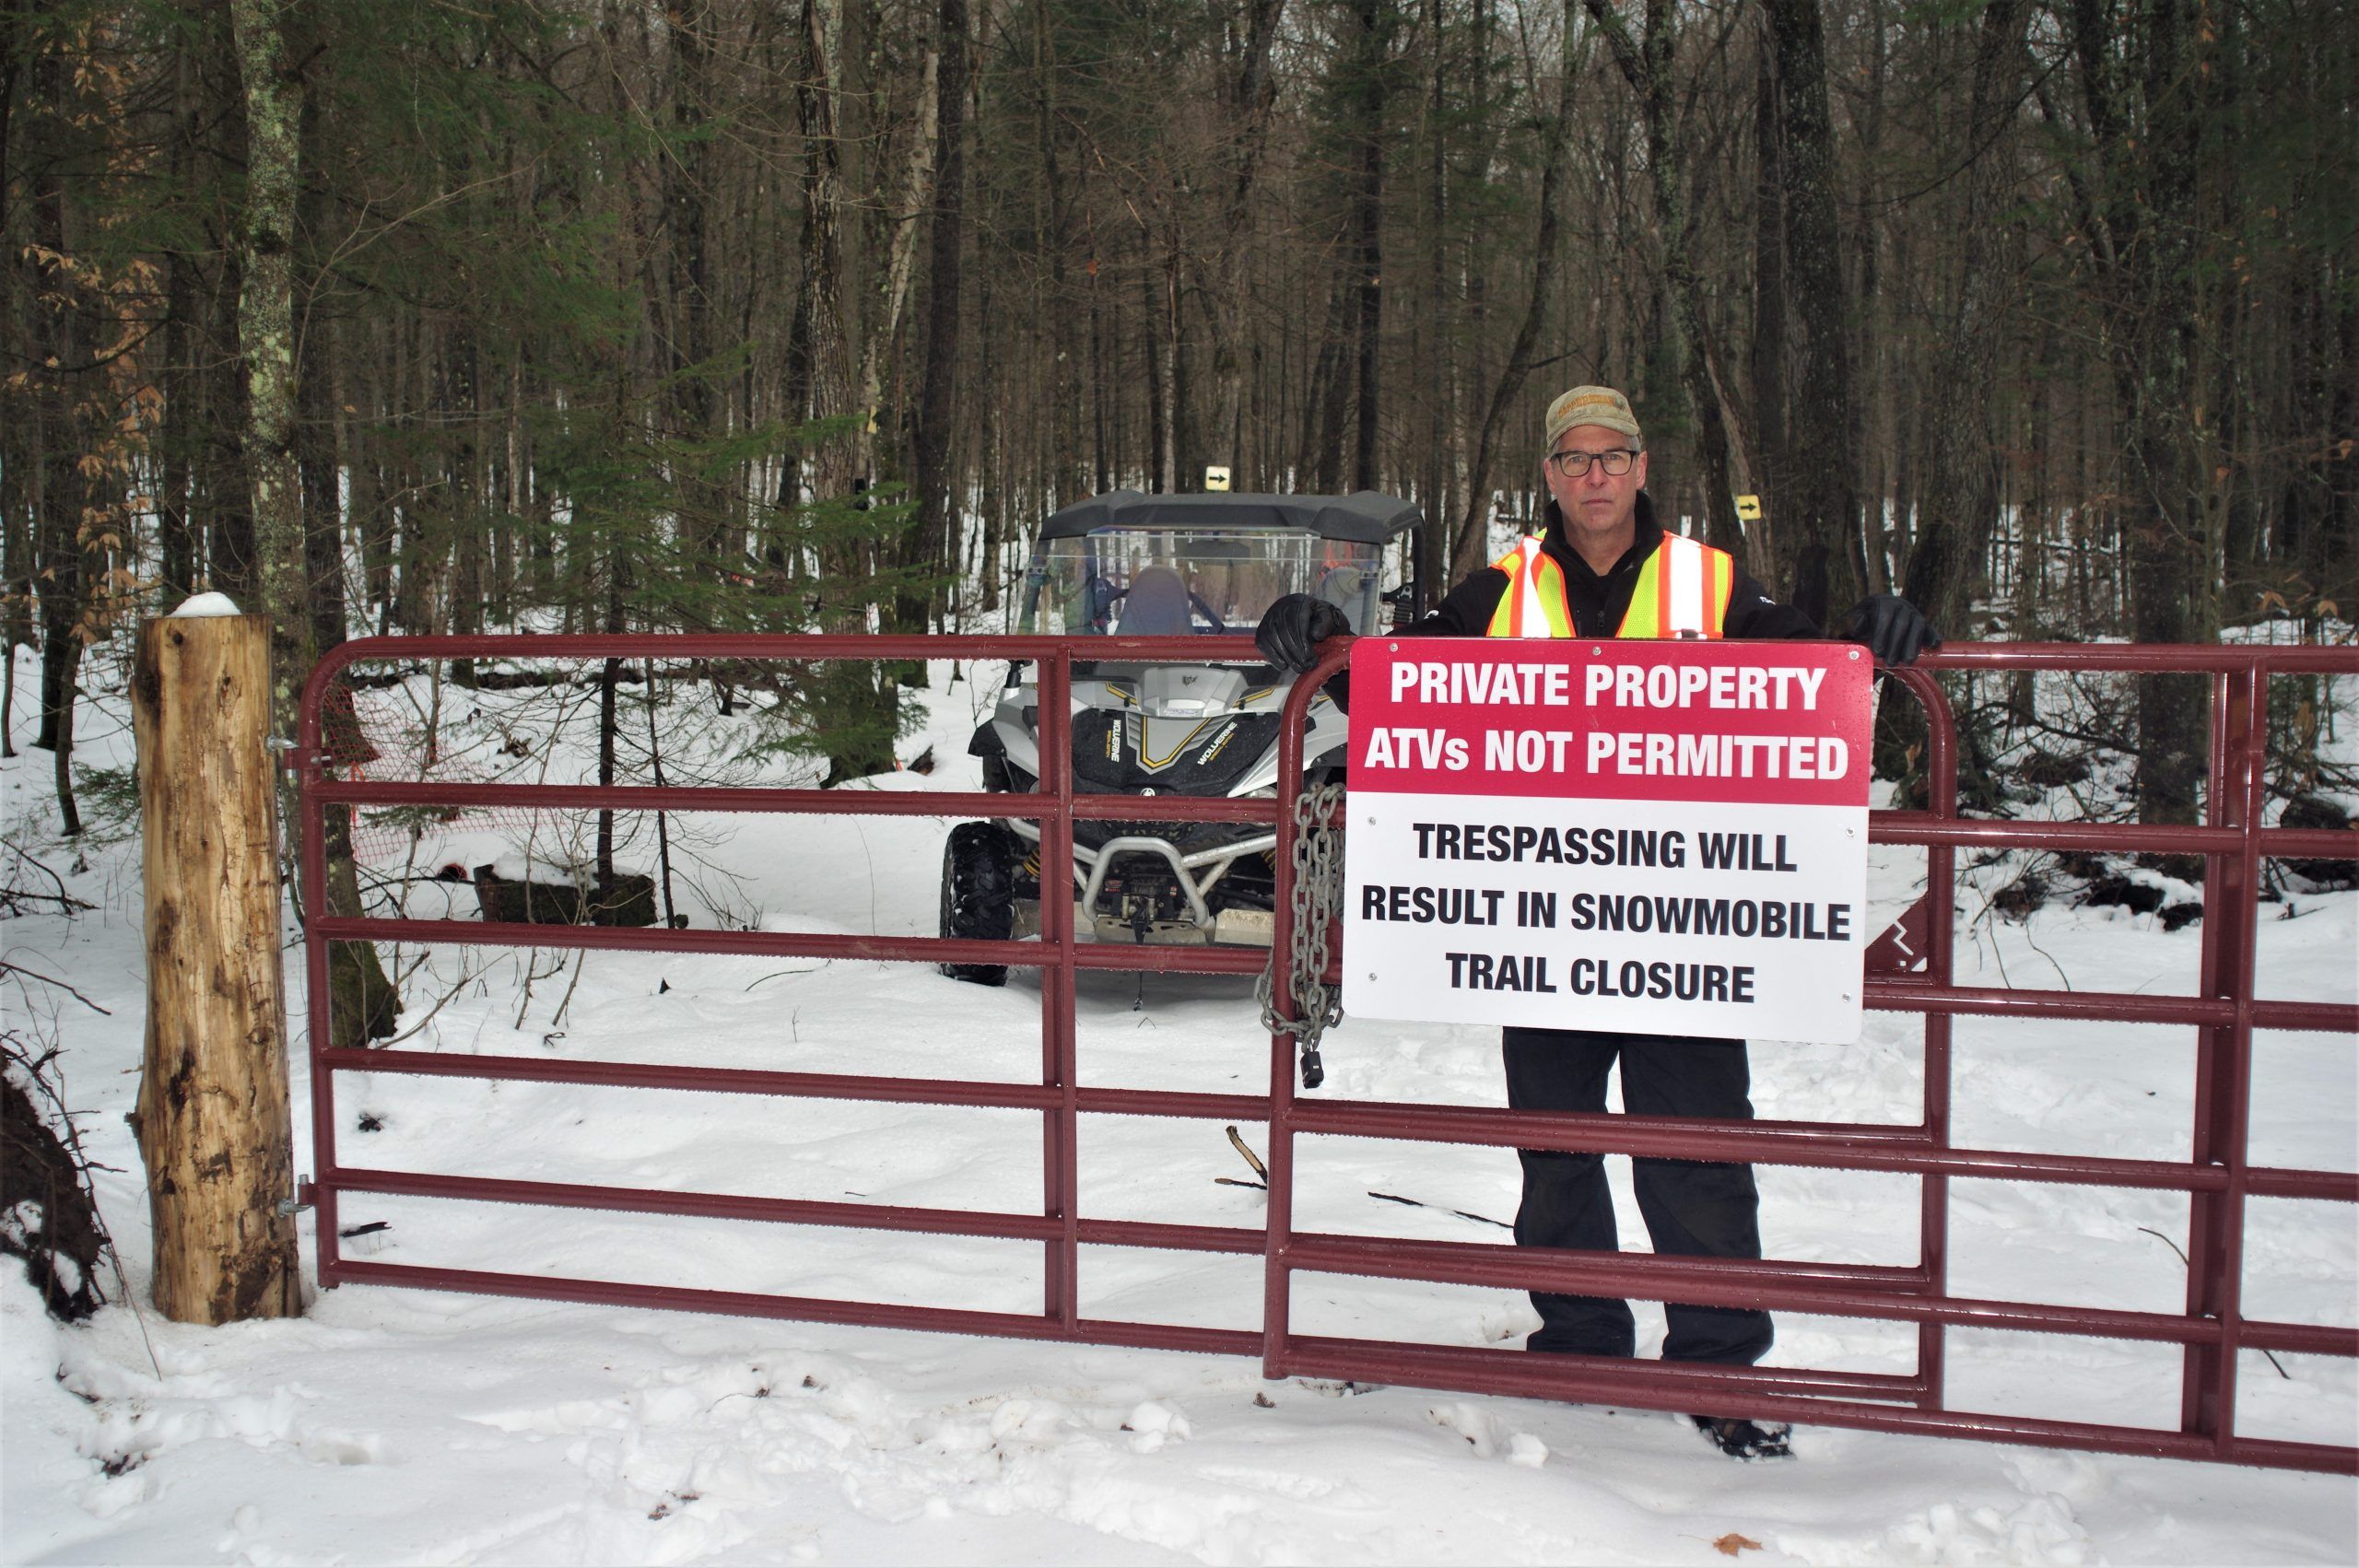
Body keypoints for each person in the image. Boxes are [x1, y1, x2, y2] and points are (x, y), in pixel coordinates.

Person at [1253, 385, 1939, 1461]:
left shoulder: (1710, 581)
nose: (1594, 476)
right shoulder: (1504, 587)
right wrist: (1325, 641)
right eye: (1572, 459)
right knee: (1557, 1145)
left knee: (1695, 1150)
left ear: (1641, 464)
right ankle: (1578, 1342)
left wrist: (1874, 638)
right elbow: (1401, 684)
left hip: (1684, 926)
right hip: (1543, 927)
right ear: (1549, 474)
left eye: (1611, 455)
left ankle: (1718, 1367)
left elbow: (1811, 677)